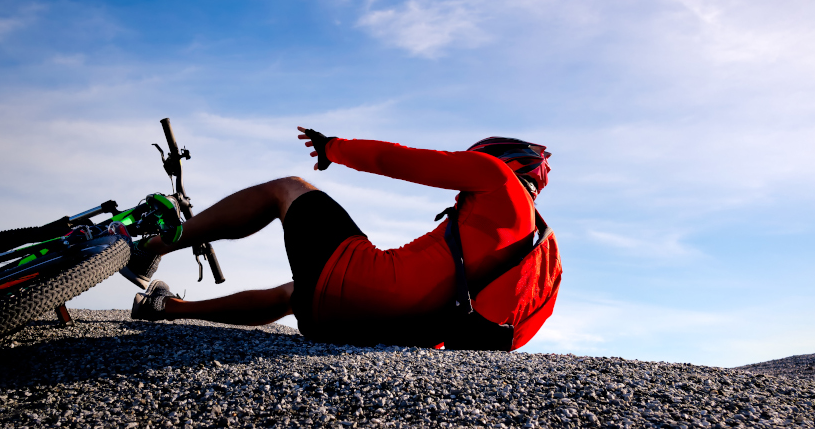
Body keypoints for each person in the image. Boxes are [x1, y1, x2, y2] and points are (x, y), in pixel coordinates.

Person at [124, 127, 561, 351]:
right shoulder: (539, 250)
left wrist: (334, 148)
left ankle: (154, 248)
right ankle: (165, 308)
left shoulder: (496, 178)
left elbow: (404, 161)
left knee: (288, 188)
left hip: (369, 287)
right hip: (390, 329)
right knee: (299, 292)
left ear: (503, 160)